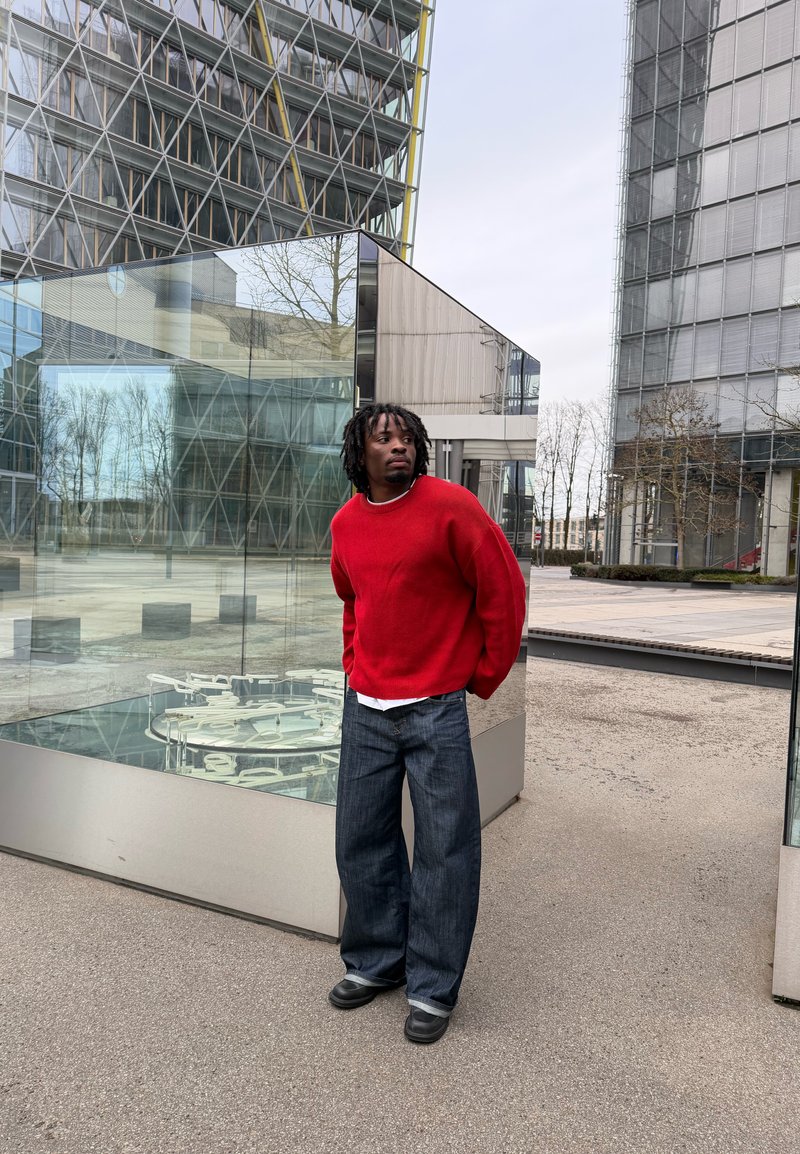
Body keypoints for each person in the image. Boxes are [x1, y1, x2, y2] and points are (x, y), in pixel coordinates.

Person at [327, 402, 527, 1044]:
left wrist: (483, 674)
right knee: (361, 841)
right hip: (367, 709)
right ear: (359, 453)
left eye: (408, 437)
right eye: (382, 439)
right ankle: (376, 962)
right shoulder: (346, 523)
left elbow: (503, 592)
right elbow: (353, 600)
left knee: (445, 849)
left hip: (435, 707)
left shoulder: (452, 508)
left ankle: (433, 986)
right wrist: (355, 664)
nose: (399, 447)